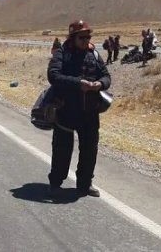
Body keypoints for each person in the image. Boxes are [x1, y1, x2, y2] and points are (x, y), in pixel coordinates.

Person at [47, 20, 111, 198]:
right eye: (82, 37)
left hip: (90, 111)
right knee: (62, 149)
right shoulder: (61, 53)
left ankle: (84, 184)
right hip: (66, 110)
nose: (86, 40)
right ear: (73, 37)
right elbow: (53, 75)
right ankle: (55, 183)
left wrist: (100, 84)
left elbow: (106, 76)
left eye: (88, 36)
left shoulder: (94, 54)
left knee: (90, 149)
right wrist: (78, 84)